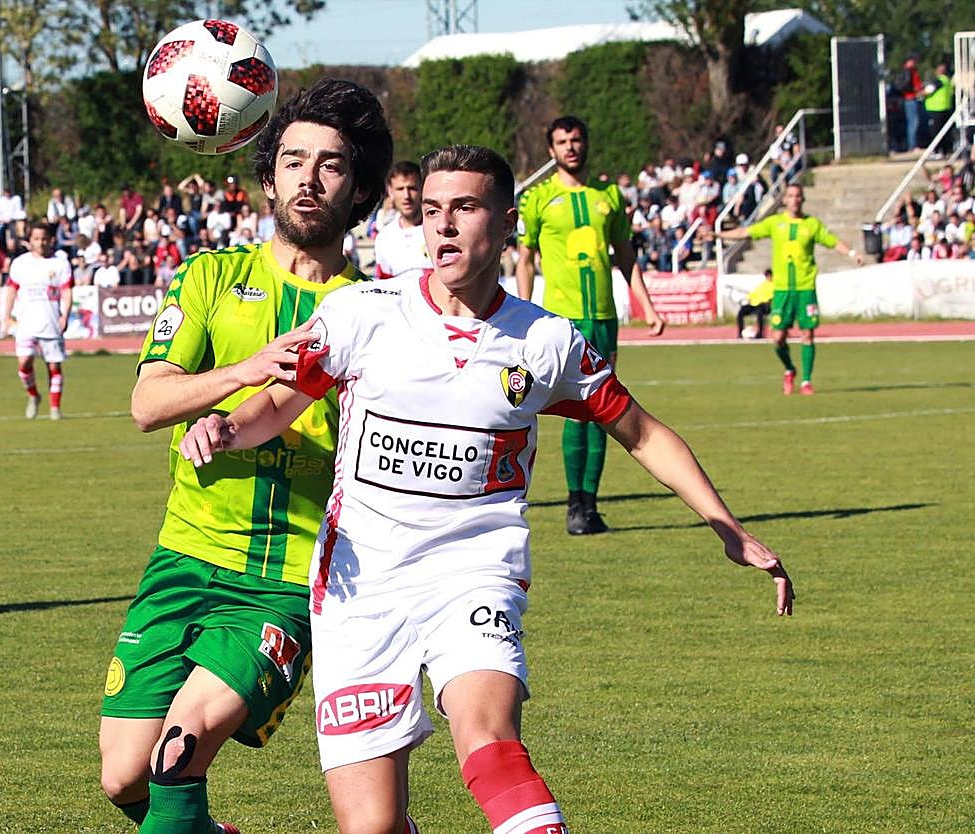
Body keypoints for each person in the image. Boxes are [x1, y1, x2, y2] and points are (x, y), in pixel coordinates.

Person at [178, 144, 794, 834]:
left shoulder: (546, 342)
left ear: (506, 224)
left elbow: (643, 433)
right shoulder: (363, 312)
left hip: (474, 574)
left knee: (490, 744)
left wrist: (726, 525)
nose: (442, 226)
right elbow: (280, 403)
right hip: (358, 587)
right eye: (433, 210)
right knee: (373, 826)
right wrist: (226, 426)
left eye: (464, 208)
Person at [97, 78, 393, 834]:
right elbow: (146, 405)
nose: (309, 177)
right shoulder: (210, 277)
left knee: (176, 754)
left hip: (285, 579)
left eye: (331, 163)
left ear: (358, 186)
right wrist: (243, 373)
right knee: (123, 778)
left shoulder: (374, 313)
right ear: (267, 175)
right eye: (293, 159)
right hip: (182, 557)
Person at [515, 115, 665, 536]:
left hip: (603, 318)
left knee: (604, 410)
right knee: (573, 415)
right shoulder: (538, 199)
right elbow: (525, 259)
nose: (571, 147)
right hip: (562, 320)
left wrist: (647, 306)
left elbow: (626, 255)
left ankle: (588, 507)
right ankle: (573, 503)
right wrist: (523, 314)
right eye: (562, 141)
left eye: (577, 139)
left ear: (586, 144)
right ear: (551, 150)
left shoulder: (611, 197)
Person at [716, 183, 862, 395]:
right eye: (791, 196)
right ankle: (789, 368)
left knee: (807, 334)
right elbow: (746, 231)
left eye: (798, 196)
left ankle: (806, 381)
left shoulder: (811, 225)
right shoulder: (775, 223)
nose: (794, 199)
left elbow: (833, 242)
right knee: (777, 337)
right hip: (782, 290)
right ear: (784, 200)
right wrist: (717, 235)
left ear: (802, 199)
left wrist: (852, 254)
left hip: (805, 288)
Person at [1, 222, 73, 420]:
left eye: (43, 238)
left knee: (54, 367)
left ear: (50, 239)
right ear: (29, 241)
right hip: (26, 323)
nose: (40, 242)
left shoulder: (60, 263)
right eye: (36, 239)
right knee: (24, 363)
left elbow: (66, 291)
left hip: (51, 321)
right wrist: (6, 316)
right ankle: (33, 395)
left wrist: (65, 314)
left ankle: (55, 408)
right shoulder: (20, 263)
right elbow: (11, 290)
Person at [372, 160, 431, 281]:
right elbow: (384, 283)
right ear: (390, 191)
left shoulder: (439, 230)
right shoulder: (384, 238)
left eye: (412, 188)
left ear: (422, 189)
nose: (406, 196)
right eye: (400, 189)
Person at [737, 268, 773, 338]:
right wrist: (749, 298)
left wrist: (768, 301)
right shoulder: (763, 284)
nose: (768, 277)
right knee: (741, 311)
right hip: (755, 304)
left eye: (769, 275)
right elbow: (754, 293)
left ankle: (760, 334)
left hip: (765, 305)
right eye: (767, 275)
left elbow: (772, 297)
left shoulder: (774, 285)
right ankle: (740, 332)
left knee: (760, 313)